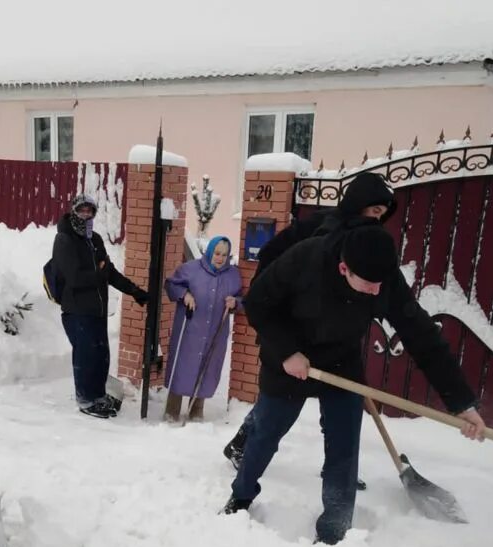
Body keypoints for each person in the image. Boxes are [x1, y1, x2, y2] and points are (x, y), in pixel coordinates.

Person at [222, 220, 486, 545]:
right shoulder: (305, 260)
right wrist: (287, 351)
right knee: (265, 434)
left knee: (344, 447)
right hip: (289, 359)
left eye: (380, 284)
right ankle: (241, 497)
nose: (377, 292)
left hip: (340, 362)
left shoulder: (383, 278)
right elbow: (259, 303)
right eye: (368, 284)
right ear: (344, 268)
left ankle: (335, 526)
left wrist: (461, 402)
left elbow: (421, 335)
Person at [222, 172, 397, 481]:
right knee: (276, 398)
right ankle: (241, 445)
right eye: (373, 212)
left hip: (327, 336)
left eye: (381, 216)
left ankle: (339, 466)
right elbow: (271, 262)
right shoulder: (320, 228)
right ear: (357, 206)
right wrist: (279, 330)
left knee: (338, 404)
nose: (376, 221)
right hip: (288, 324)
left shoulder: (364, 247)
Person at [53, 194, 149, 418]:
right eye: (81, 210)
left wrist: (134, 291)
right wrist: (100, 273)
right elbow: (75, 278)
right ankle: (86, 399)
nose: (86, 214)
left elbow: (110, 272)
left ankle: (98, 394)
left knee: (100, 355)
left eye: (90, 211)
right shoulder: (64, 239)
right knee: (85, 356)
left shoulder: (94, 239)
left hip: (97, 310)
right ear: (74, 211)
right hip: (76, 311)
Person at [163, 236, 244, 422]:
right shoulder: (191, 269)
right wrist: (185, 294)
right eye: (217, 253)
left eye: (224, 255)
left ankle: (196, 410)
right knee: (183, 366)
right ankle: (172, 410)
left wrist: (235, 302)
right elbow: (171, 284)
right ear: (210, 252)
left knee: (207, 368)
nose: (220, 258)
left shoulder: (233, 275)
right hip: (190, 329)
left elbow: (242, 299)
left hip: (215, 331)